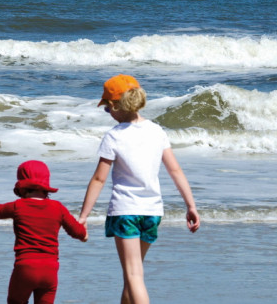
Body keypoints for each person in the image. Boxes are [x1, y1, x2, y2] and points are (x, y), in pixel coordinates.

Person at [78, 74, 200, 304]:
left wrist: (83, 216)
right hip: (152, 212)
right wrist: (191, 205)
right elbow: (176, 171)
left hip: (126, 211)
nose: (108, 114)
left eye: (107, 110)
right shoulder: (157, 131)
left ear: (114, 106)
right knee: (133, 275)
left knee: (133, 275)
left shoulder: (114, 136)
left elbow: (98, 180)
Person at [0, 160, 87, 304]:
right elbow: (79, 232)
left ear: (22, 184)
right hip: (50, 270)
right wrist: (84, 233)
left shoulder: (18, 206)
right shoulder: (58, 207)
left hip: (25, 268)